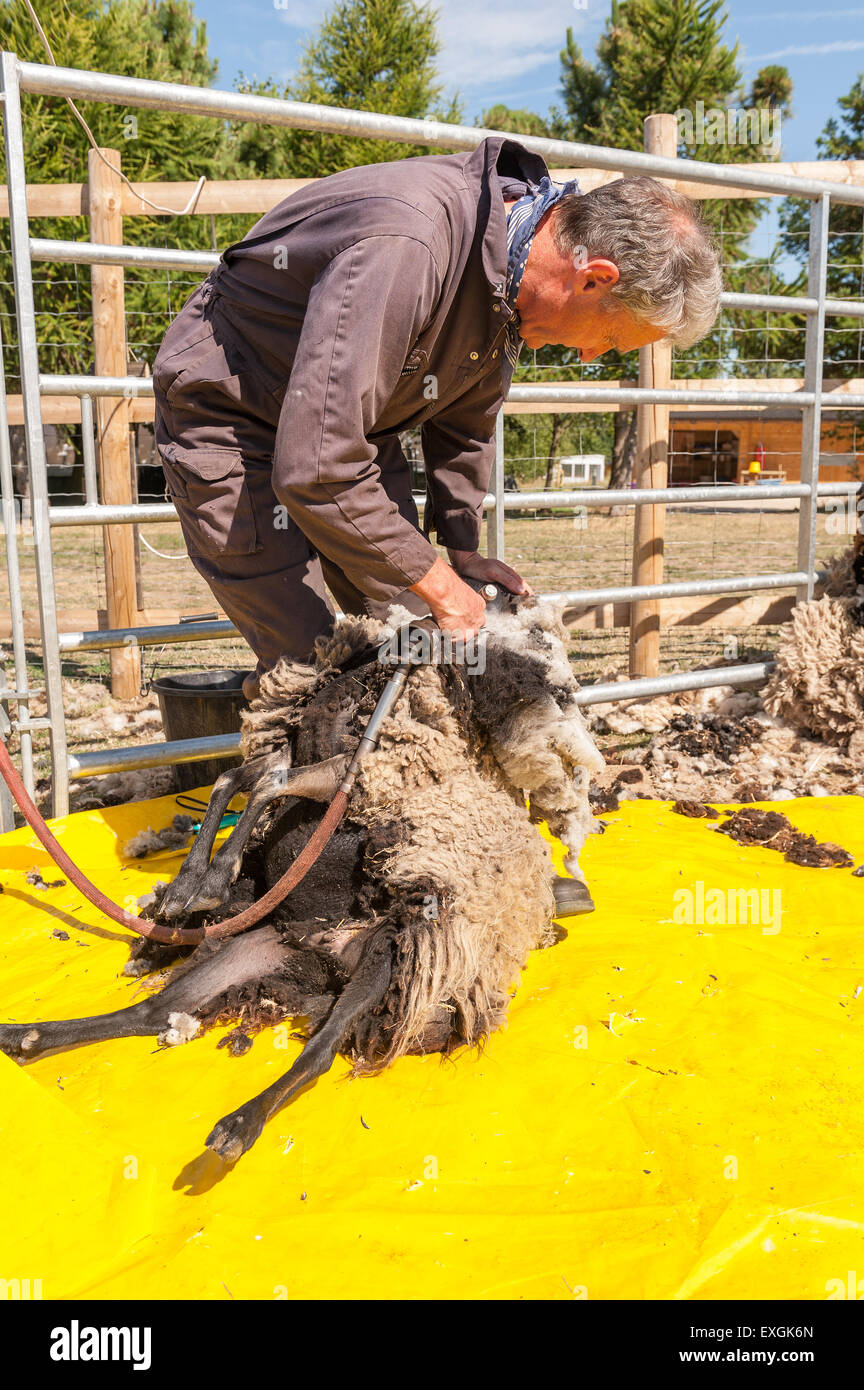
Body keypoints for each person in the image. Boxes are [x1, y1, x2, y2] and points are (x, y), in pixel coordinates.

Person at [152, 137, 722, 698]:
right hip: (236, 414)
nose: (590, 355)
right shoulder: (408, 243)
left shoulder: (508, 274)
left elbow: (466, 417)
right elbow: (318, 465)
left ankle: (401, 774)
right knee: (313, 663)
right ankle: (304, 779)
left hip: (351, 436)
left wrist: (461, 548)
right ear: (594, 277)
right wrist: (441, 583)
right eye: (612, 337)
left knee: (419, 636)